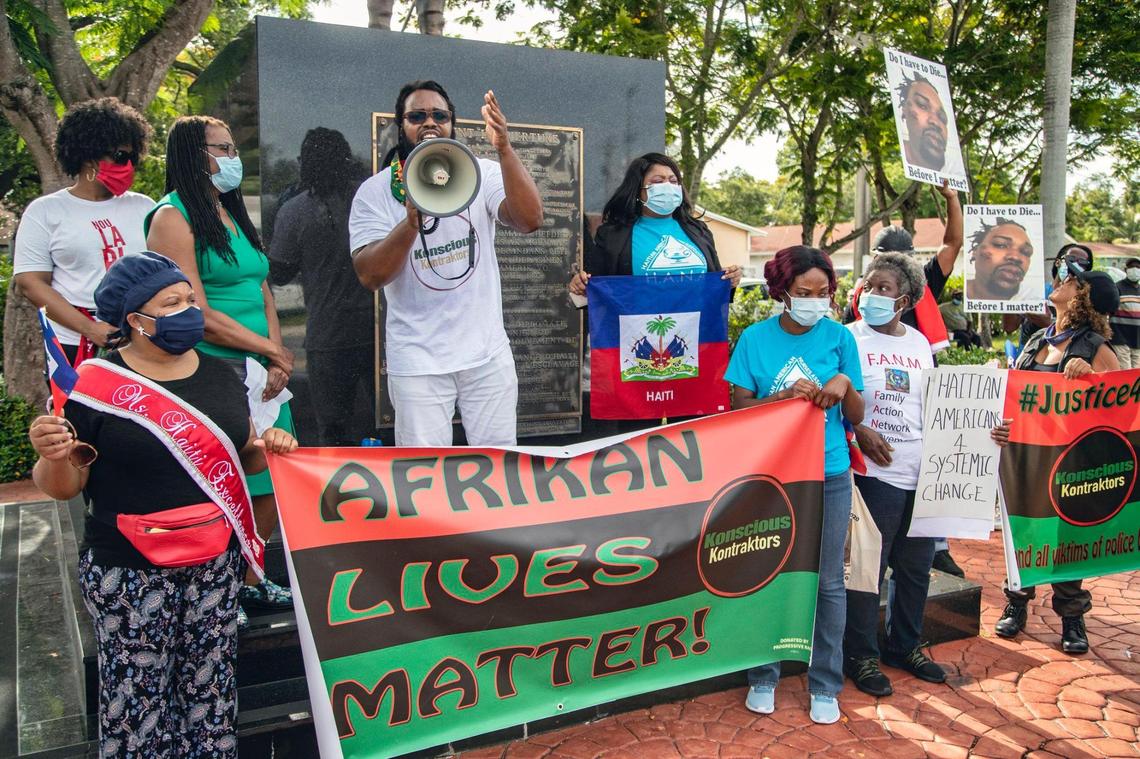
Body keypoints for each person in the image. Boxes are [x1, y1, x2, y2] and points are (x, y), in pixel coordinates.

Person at [27, 252, 298, 758]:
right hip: (128, 573)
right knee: (135, 705)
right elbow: (63, 485)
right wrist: (52, 455)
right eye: (172, 303)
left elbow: (241, 459)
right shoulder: (92, 386)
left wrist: (269, 447)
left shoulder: (229, 375)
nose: (188, 310)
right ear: (135, 319)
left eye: (190, 299)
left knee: (210, 694)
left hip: (213, 565)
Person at [144, 115, 295, 624]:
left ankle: (252, 580)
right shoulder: (172, 217)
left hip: (262, 367)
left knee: (272, 477)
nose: (233, 158)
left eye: (234, 147)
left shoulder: (228, 210)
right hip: (218, 367)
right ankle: (217, 585)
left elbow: (261, 290)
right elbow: (193, 312)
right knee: (229, 479)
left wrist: (275, 351)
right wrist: (266, 352)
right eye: (222, 148)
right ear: (191, 153)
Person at [349, 81, 544, 446]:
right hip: (418, 363)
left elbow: (529, 219)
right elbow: (370, 275)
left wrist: (504, 149)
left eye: (440, 115)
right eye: (416, 116)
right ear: (400, 124)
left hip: (486, 355)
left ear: (452, 122)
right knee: (426, 476)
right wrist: (410, 224)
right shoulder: (375, 192)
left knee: (500, 466)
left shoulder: (480, 174)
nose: (429, 123)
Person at [725, 245, 864, 724]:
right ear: (781, 292)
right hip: (771, 477)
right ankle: (762, 674)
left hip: (828, 472)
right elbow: (737, 408)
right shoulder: (754, 340)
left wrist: (844, 384)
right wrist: (781, 398)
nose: (815, 301)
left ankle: (825, 683)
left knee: (828, 583)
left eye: (823, 293)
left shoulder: (840, 338)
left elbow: (858, 413)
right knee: (770, 574)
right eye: (804, 293)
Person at [991, 262, 1121, 654]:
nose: (1058, 280)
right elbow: (1015, 399)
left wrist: (1092, 381)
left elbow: (1119, 410)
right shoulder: (1036, 343)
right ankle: (1017, 603)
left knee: (1066, 537)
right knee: (1023, 533)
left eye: (1068, 277)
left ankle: (1072, 617)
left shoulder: (1095, 348)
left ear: (1084, 295)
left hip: (1071, 461)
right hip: (1026, 456)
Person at [842, 253, 945, 696]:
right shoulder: (846, 337)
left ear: (903, 299)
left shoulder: (920, 344)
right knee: (868, 567)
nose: (871, 294)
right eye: (868, 285)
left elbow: (937, 406)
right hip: (872, 473)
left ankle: (905, 644)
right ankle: (861, 655)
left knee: (916, 566)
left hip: (921, 471)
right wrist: (859, 430)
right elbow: (832, 400)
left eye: (882, 288)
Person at [14, 97, 155, 366]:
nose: (128, 166)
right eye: (120, 156)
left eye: (132, 157)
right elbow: (30, 283)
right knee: (77, 409)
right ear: (89, 156)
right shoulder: (46, 211)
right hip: (72, 343)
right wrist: (89, 328)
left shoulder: (143, 206)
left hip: (141, 337)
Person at [269, 127, 375, 445]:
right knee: (385, 424)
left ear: (304, 162)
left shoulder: (294, 209)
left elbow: (279, 272)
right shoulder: (369, 198)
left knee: (333, 430)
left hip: (328, 337)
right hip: (377, 332)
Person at [566, 152, 742, 286]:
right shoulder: (613, 236)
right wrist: (581, 285)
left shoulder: (699, 231)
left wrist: (730, 280)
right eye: (658, 181)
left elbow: (715, 285)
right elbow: (597, 289)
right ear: (638, 191)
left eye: (673, 181)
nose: (668, 186)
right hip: (638, 332)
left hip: (695, 331)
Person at [965, 217, 1036, 302]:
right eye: (1000, 245)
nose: (1015, 257)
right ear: (975, 251)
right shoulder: (957, 295)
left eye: (1026, 252)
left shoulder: (1033, 299)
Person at [897, 72, 948, 172]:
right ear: (904, 110)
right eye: (922, 105)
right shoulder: (896, 161)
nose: (935, 121)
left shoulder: (953, 172)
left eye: (942, 117)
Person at [1109, 256, 1140, 369]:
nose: (1135, 269)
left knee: (1137, 375)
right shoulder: (1117, 288)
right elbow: (1109, 310)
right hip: (1120, 339)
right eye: (1132, 267)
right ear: (1126, 270)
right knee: (1125, 372)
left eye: (1138, 267)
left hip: (1137, 340)